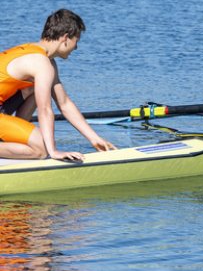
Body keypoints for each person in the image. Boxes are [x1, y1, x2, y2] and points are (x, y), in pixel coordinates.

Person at [0, 9, 116, 161]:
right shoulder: (41, 63)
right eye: (77, 40)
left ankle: (13, 141)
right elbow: (45, 109)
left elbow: (65, 103)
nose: (76, 47)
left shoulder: (41, 58)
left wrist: (94, 138)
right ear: (66, 38)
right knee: (41, 149)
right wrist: (53, 151)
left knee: (38, 88)